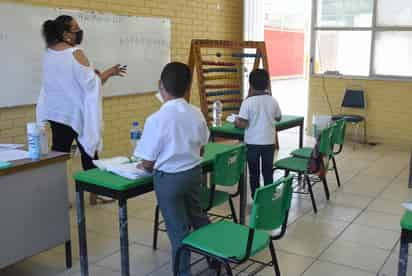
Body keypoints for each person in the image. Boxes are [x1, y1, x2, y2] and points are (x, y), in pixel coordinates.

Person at [36, 15, 126, 205]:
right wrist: (109, 72)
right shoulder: (75, 52)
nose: (79, 32)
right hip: (76, 114)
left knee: (59, 155)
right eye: (75, 29)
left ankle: (59, 197)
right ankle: (96, 193)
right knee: (89, 151)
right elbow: (91, 85)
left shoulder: (48, 54)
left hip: (56, 113)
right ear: (66, 34)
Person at [135, 62, 210, 276]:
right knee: (198, 217)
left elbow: (148, 163)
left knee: (178, 232)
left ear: (160, 86)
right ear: (188, 88)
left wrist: (142, 165)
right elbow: (202, 146)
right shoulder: (196, 113)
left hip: (169, 181)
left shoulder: (156, 119)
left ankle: (183, 273)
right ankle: (215, 259)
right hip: (194, 174)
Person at [235, 69, 282, 199]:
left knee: (254, 173)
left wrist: (237, 122)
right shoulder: (273, 100)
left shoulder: (247, 102)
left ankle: (256, 199)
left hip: (252, 144)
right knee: (267, 172)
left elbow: (243, 124)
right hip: (269, 143)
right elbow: (278, 117)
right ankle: (269, 196)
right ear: (267, 84)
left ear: (250, 85)